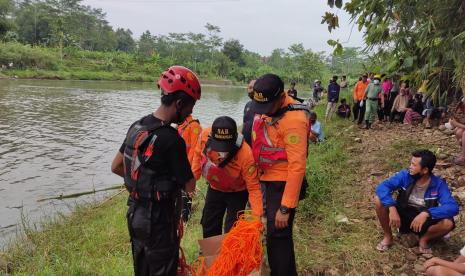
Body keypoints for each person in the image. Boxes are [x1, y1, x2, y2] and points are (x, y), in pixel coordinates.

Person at [111, 65, 201, 275]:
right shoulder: (171, 139)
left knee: (142, 268)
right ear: (179, 103)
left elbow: (116, 166)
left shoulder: (138, 126)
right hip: (159, 220)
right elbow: (190, 185)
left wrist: (142, 186)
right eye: (191, 106)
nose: (191, 112)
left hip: (134, 213)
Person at [250, 73, 309, 276]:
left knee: (279, 235)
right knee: (273, 235)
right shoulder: (272, 110)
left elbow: (297, 166)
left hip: (282, 184)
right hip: (266, 178)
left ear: (280, 97)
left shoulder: (294, 121)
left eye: (267, 107)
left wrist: (285, 207)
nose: (263, 112)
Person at [191, 116, 263, 238]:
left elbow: (254, 188)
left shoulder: (246, 154)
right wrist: (191, 181)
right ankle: (210, 255)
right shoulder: (204, 137)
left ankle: (229, 255)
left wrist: (257, 219)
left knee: (232, 229)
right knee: (209, 223)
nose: (222, 154)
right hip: (215, 188)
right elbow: (197, 158)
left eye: (225, 148)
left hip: (238, 192)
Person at [374, 150, 458, 254]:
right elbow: (382, 187)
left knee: (448, 223)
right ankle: (388, 236)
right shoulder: (405, 176)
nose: (410, 167)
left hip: (423, 220)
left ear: (425, 170)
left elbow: (452, 206)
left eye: (414, 165)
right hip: (404, 214)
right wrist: (391, 207)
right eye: (410, 163)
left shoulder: (438, 184)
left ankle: (424, 239)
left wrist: (427, 213)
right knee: (379, 200)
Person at [177, 114, 202, 222]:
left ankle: (185, 219)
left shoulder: (194, 126)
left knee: (186, 193)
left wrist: (189, 170)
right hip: (178, 164)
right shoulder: (180, 125)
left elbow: (195, 149)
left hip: (187, 166)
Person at [242, 79, 256, 146]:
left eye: (253, 88)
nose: (251, 90)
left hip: (257, 144)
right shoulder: (248, 105)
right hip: (245, 143)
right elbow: (244, 123)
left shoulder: (265, 107)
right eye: (249, 87)